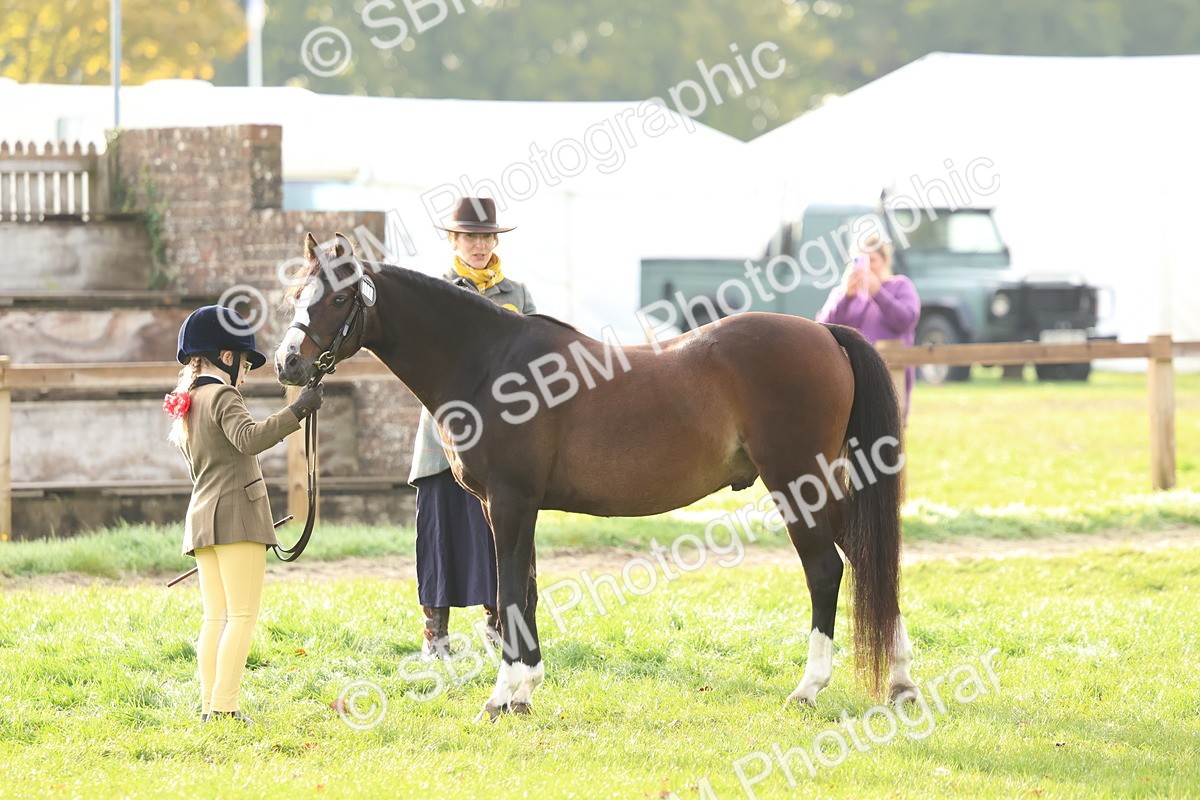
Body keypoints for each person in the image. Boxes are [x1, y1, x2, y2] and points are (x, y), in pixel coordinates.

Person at [165, 305, 323, 723]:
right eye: (245, 362)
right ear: (227, 356)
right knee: (242, 616)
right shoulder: (222, 394)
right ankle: (225, 707)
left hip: (203, 519)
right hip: (237, 517)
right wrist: (299, 410)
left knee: (215, 616)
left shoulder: (189, 401)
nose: (246, 373)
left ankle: (209, 707)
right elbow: (249, 439)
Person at [407, 197, 536, 659]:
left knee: (496, 536)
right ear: (454, 240)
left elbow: (538, 356)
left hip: (504, 441)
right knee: (439, 533)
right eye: (469, 237)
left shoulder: (517, 295)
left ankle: (497, 624)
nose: (479, 246)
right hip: (446, 437)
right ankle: (435, 635)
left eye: (486, 237)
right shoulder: (433, 290)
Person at [816, 236, 922, 421]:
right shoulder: (843, 293)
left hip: (890, 375)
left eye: (871, 260)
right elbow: (823, 327)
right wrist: (846, 296)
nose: (866, 267)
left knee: (887, 427)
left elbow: (907, 320)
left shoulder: (899, 285)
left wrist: (877, 293)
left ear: (885, 260)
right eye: (859, 261)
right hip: (850, 377)